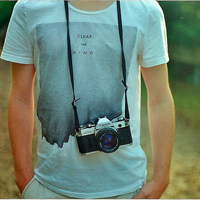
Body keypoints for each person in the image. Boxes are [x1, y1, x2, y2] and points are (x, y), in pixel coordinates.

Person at [1, 0, 175, 199]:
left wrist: (161, 179)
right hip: (49, 186)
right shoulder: (29, 8)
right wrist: (24, 179)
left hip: (128, 188)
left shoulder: (146, 10)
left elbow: (160, 98)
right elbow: (20, 96)